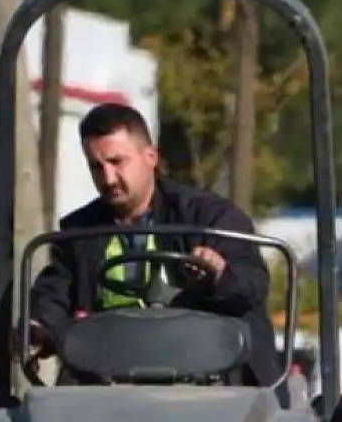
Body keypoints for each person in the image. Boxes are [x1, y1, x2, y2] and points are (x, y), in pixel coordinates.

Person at [27, 102, 279, 386]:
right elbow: (56, 293)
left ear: (151, 156)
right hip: (110, 388)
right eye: (96, 167)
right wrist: (41, 329)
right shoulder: (79, 233)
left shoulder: (210, 219)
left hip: (202, 384)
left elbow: (251, 286)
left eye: (117, 162)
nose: (108, 178)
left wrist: (219, 276)